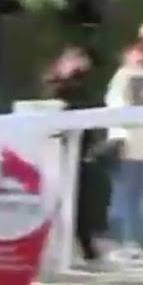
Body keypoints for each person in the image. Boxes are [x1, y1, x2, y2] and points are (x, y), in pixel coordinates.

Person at [43, 45, 106, 264]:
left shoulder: (87, 85)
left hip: (83, 150)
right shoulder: (54, 84)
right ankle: (62, 247)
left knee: (84, 201)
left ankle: (85, 246)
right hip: (59, 151)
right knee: (62, 199)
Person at [104, 43, 143, 261]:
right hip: (126, 144)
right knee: (125, 195)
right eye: (136, 56)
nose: (140, 59)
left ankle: (142, 241)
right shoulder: (122, 77)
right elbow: (122, 105)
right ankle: (124, 242)